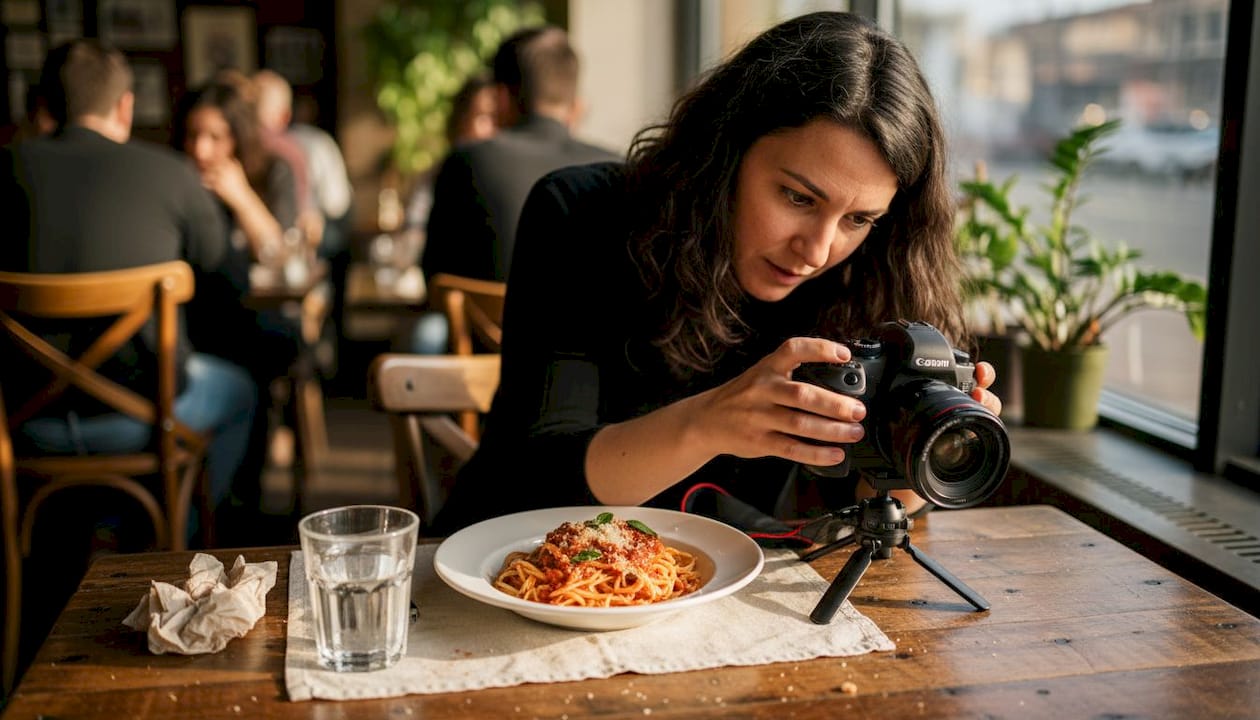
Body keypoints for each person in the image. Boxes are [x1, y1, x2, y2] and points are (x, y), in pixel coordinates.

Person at [429, 12, 1004, 534]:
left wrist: (923, 452)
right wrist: (709, 423)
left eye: (858, 218)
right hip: (507, 569)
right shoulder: (582, 214)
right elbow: (537, 478)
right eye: (798, 198)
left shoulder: (863, 278)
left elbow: (855, 498)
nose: (818, 249)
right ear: (727, 148)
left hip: (714, 594)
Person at [0, 40, 257, 541]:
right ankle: (170, 541)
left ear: (46, 105)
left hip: (21, 424)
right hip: (143, 422)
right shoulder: (171, 173)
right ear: (125, 106)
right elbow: (233, 283)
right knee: (240, 391)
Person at [421, 25, 619, 285]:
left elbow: (436, 274)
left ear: (501, 97)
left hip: (487, 325)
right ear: (573, 98)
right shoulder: (618, 168)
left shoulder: (467, 161)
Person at [401, 72, 501, 355]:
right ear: (459, 121)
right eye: (481, 117)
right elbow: (414, 245)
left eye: (496, 118)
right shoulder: (443, 174)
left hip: (517, 318)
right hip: (455, 312)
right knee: (424, 339)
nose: (490, 129)